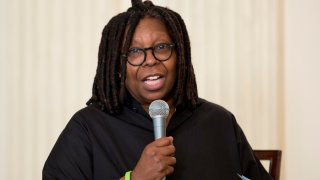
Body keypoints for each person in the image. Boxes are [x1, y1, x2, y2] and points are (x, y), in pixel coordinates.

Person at [43, 0, 272, 179]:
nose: (150, 60)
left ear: (179, 55)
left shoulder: (218, 121)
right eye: (134, 52)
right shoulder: (87, 129)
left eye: (161, 47)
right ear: (118, 66)